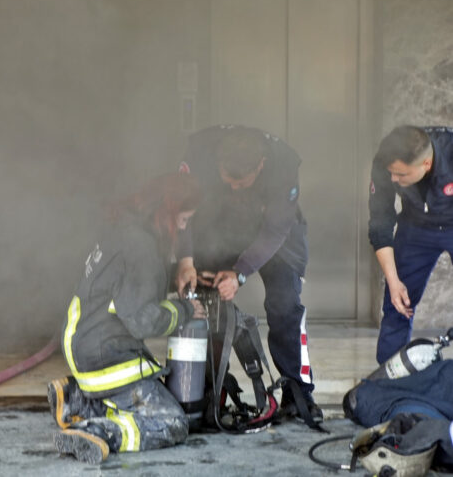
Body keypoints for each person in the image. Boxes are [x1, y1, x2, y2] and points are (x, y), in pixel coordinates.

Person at [47, 172, 206, 464]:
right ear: (167, 214)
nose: (183, 230)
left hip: (85, 343)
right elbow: (142, 321)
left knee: (145, 399)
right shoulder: (142, 248)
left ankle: (76, 399)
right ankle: (97, 430)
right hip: (106, 356)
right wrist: (184, 311)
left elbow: (128, 290)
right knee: (172, 422)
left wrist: (175, 278)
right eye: (182, 221)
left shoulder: (126, 230)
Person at [174, 124, 321, 422]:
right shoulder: (198, 153)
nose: (234, 187)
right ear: (217, 162)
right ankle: (209, 387)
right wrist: (186, 259)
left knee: (285, 306)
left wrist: (239, 274)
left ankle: (297, 392)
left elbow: (276, 230)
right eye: (228, 180)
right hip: (217, 228)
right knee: (205, 301)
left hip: (276, 238)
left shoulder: (283, 166)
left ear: (261, 166)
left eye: (241, 183)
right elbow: (180, 208)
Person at [369, 125, 453, 364]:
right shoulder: (385, 163)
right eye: (391, 173)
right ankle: (389, 382)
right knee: (398, 304)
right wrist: (393, 281)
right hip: (416, 228)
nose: (393, 179)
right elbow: (380, 223)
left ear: (425, 164)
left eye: (401, 175)